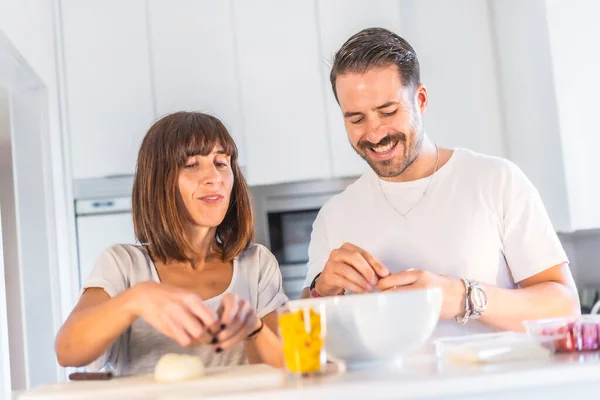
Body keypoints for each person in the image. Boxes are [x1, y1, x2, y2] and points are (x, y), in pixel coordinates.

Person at [301, 28, 580, 340]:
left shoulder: (496, 181)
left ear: (420, 100)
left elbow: (565, 308)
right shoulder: (334, 216)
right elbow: (309, 338)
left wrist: (463, 297)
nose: (375, 133)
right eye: (356, 119)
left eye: (388, 111)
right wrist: (321, 291)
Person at [55, 112, 287, 374]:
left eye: (221, 162)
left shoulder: (257, 264)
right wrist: (136, 300)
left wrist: (253, 329)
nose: (214, 177)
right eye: (191, 165)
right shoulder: (123, 265)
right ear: (158, 181)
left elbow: (288, 371)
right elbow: (68, 351)